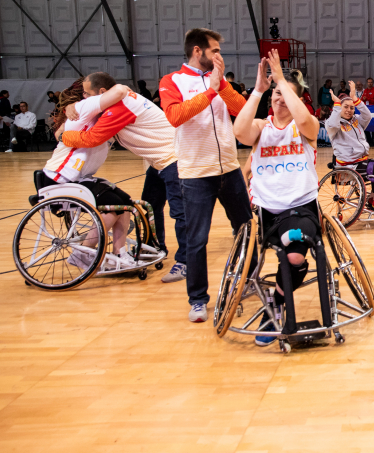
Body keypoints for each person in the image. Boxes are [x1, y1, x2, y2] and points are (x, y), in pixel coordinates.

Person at [159, 28, 253, 323]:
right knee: (197, 239)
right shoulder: (172, 81)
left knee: (246, 229)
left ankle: (250, 279)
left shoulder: (219, 81)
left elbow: (242, 109)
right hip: (196, 173)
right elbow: (175, 116)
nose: (219, 56)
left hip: (229, 167)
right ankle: (198, 299)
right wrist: (211, 90)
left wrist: (221, 85)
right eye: (215, 51)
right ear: (197, 51)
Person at [60, 71, 188, 284]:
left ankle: (186, 262)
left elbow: (93, 138)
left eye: (86, 93)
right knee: (149, 207)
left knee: (180, 213)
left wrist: (62, 135)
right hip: (160, 160)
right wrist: (69, 107)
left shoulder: (121, 106)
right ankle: (155, 248)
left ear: (102, 92)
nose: (84, 98)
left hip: (174, 159)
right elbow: (88, 113)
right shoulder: (116, 101)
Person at [232, 50, 318, 346]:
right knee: (286, 248)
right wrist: (258, 90)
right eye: (276, 95)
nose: (279, 99)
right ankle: (276, 300)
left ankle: (277, 302)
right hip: (267, 211)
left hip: (302, 207)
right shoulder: (260, 128)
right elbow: (239, 132)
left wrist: (281, 79)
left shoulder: (306, 128)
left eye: (285, 95)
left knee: (295, 255)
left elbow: (305, 119)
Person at [45, 79, 137, 270]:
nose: (86, 97)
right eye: (84, 94)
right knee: (113, 207)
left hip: (80, 178)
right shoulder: (85, 107)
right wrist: (71, 106)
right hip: (60, 177)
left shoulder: (106, 114)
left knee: (125, 202)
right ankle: (82, 253)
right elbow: (119, 90)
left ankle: (119, 253)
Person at [326, 81, 374, 214]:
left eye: (351, 107)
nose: (349, 110)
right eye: (345, 107)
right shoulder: (332, 124)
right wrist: (337, 105)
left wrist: (356, 99)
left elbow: (367, 116)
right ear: (339, 107)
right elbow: (333, 124)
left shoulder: (357, 120)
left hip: (361, 162)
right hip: (347, 167)